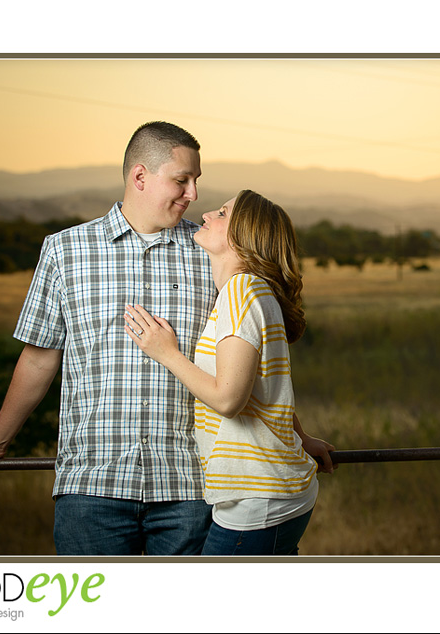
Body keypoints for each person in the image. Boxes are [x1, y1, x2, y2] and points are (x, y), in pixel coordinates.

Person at [0, 121, 219, 555]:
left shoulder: (210, 252)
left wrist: (296, 436)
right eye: (181, 180)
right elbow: (40, 358)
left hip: (191, 487)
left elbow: (244, 353)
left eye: (195, 182)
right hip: (91, 488)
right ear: (140, 177)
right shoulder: (64, 251)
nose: (192, 193)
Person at [124, 189, 336, 555]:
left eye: (222, 214)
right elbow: (263, 387)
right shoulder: (248, 291)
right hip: (270, 494)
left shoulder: (241, 292)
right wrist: (299, 437)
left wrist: (166, 353)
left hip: (257, 501)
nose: (206, 214)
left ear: (243, 237)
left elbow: (228, 399)